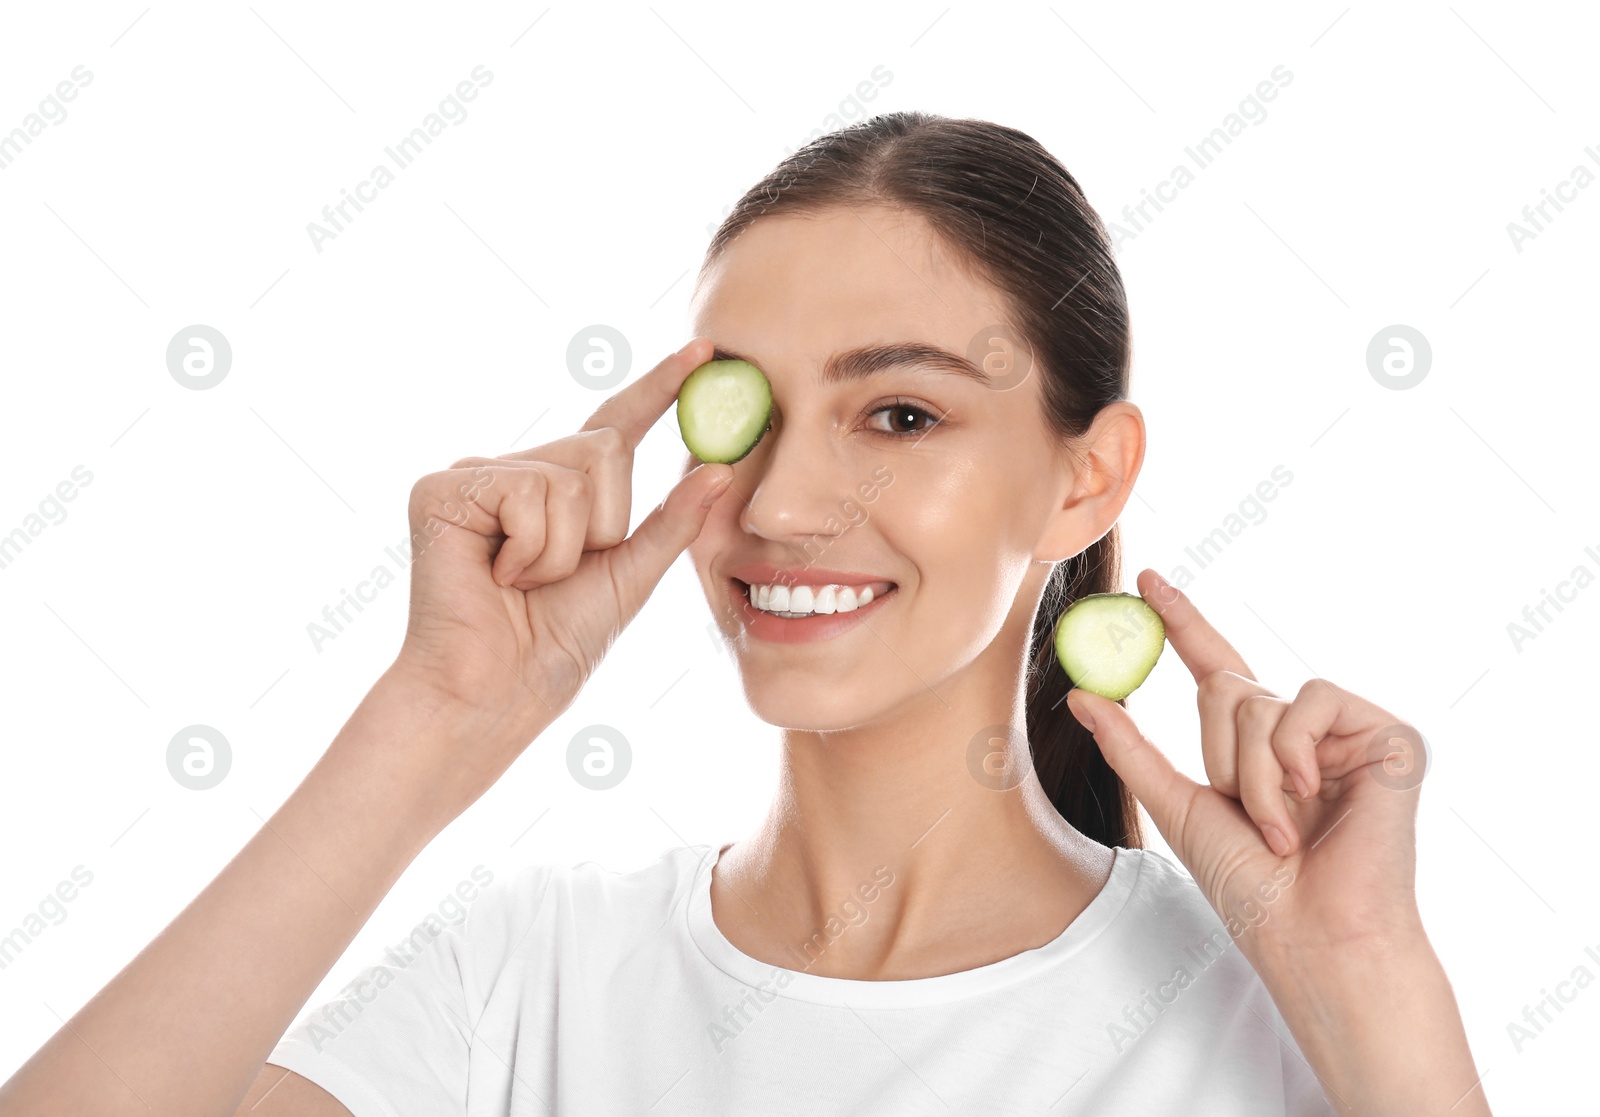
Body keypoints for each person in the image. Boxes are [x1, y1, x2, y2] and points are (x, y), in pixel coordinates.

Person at [0, 111, 1490, 1116]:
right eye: (747, 412)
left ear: (1085, 481)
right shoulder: (530, 976)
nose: (779, 505)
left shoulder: (1275, 1025)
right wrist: (434, 724)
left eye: (900, 413)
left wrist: (1371, 989)